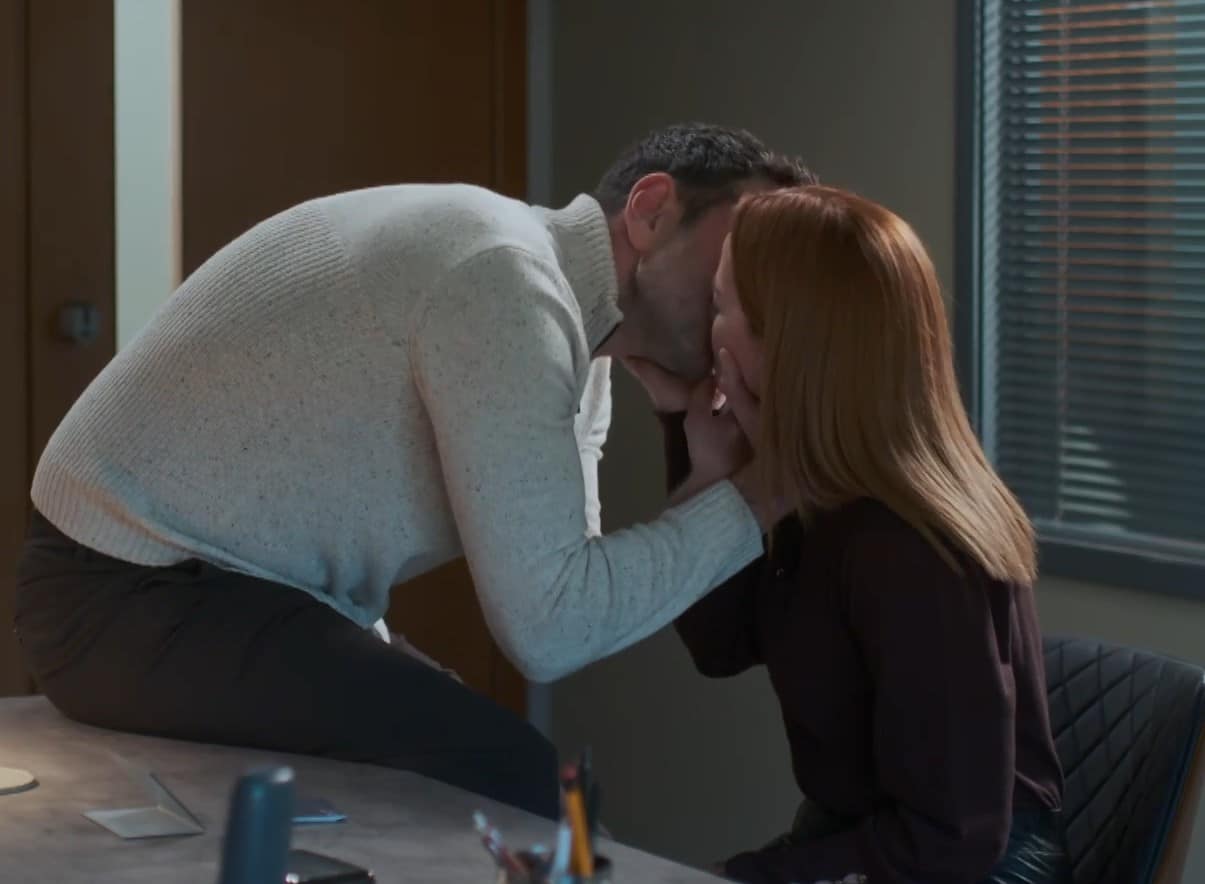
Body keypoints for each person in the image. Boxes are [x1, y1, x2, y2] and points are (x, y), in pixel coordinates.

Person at [13, 124, 812, 818]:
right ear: (651, 209)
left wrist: (704, 469)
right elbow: (552, 626)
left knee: (499, 771)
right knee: (522, 782)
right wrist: (762, 492)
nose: (751, 296)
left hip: (205, 590)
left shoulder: (567, 335)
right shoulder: (504, 278)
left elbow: (574, 584)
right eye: (742, 254)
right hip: (125, 590)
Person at [650, 186, 1069, 883]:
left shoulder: (909, 547)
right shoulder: (813, 488)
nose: (704, 329)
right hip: (869, 838)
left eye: (719, 305)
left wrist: (747, 875)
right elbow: (718, 644)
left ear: (786, 346)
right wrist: (706, 467)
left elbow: (951, 840)